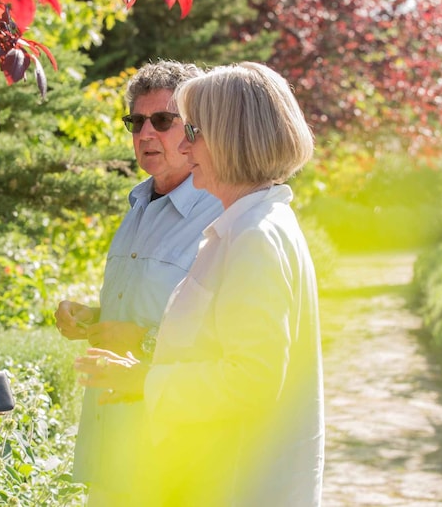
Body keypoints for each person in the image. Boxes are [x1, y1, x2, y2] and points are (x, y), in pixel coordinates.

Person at [75, 62, 325, 506]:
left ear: (233, 139)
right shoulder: (246, 225)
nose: (186, 148)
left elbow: (253, 378)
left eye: (194, 132)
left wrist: (144, 378)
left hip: (236, 483)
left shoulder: (255, 236)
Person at [54, 60, 222, 504]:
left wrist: (142, 342)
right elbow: (154, 304)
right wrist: (94, 317)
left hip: (168, 455)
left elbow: (228, 343)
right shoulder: (137, 208)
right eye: (136, 121)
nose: (145, 134)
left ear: (194, 129)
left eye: (163, 120)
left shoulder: (218, 218)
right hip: (110, 448)